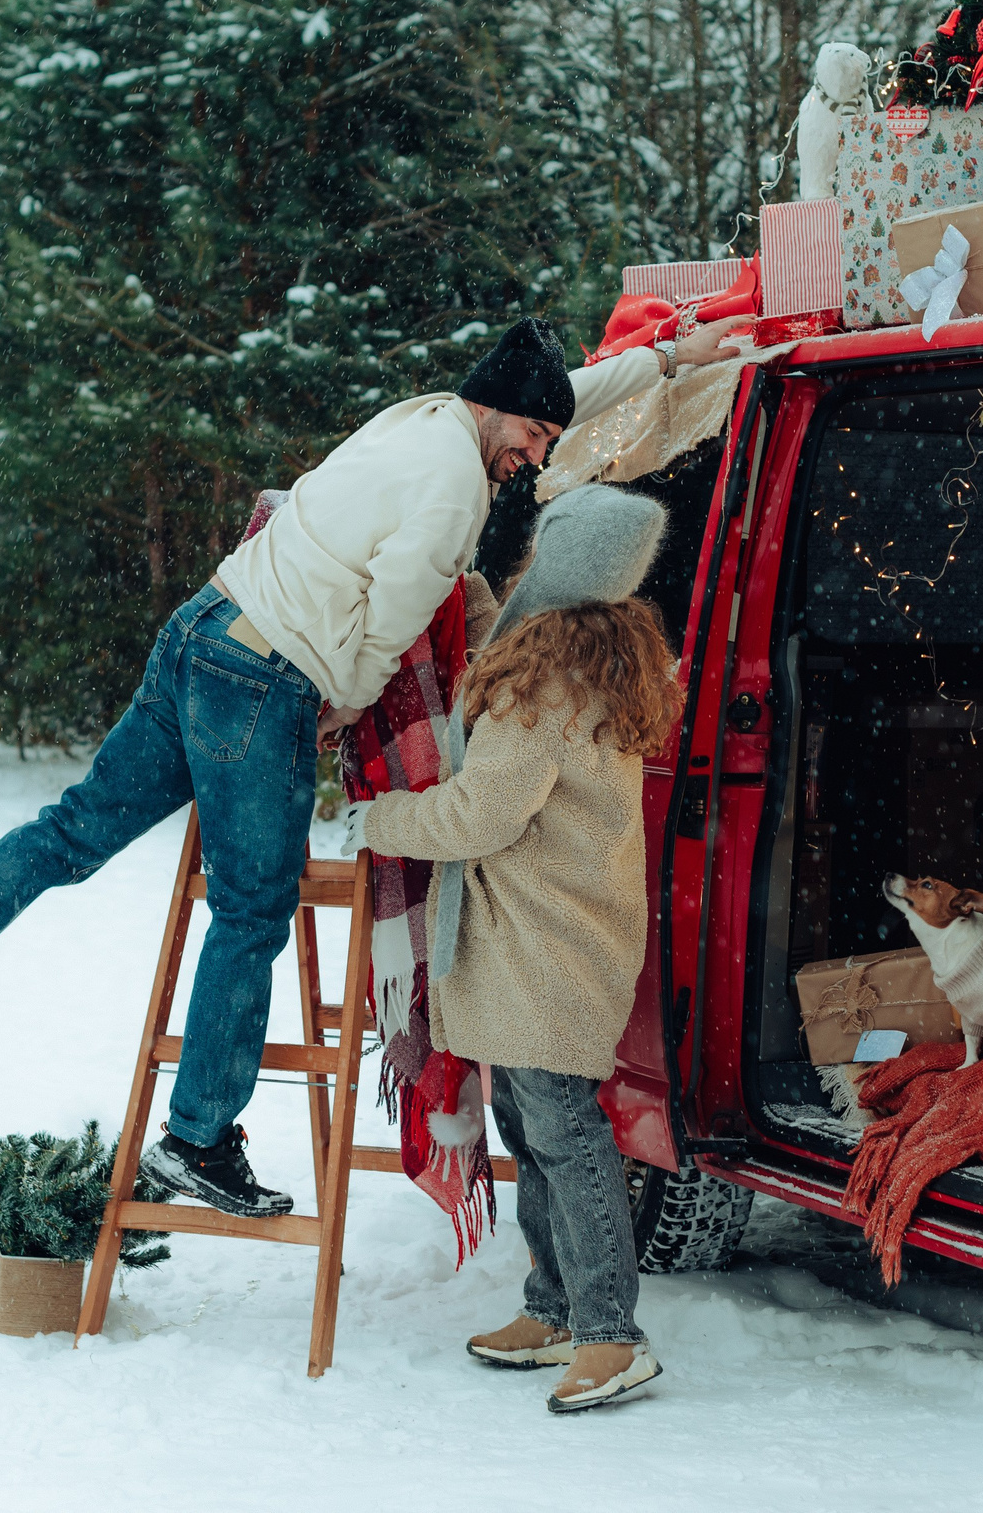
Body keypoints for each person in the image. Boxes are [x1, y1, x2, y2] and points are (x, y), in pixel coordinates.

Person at [0, 313, 749, 1218]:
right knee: (251, 908)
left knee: (70, 830)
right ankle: (197, 1138)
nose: (537, 456)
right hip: (262, 677)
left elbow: (565, 394)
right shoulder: (454, 490)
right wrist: (345, 701)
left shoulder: (430, 415)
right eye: (536, 437)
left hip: (202, 626)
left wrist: (667, 359)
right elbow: (393, 617)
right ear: (502, 409)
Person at [339, 482, 684, 1413]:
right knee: (532, 1126)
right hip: (560, 935)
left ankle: (610, 1333)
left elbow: (481, 812)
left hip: (544, 945)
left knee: (562, 1132)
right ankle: (554, 1305)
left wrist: (383, 819)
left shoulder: (543, 686)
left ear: (558, 560)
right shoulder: (592, 655)